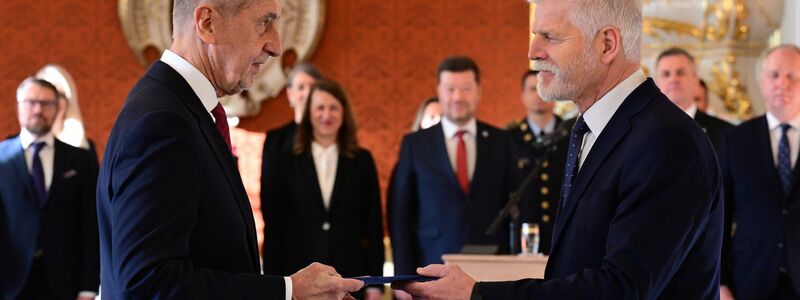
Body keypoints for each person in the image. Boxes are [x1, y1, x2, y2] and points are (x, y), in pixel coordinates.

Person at [393, 0, 723, 299]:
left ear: (607, 44)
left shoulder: (667, 141)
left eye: (550, 37)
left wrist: (477, 295)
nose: (533, 51)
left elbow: (621, 289)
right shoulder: (591, 130)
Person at [96, 0, 363, 298]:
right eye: (264, 22)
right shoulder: (164, 122)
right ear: (207, 23)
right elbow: (149, 284)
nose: (276, 45)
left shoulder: (181, 108)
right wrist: (289, 290)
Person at [388, 55, 514, 277]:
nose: (457, 97)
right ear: (438, 91)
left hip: (489, 269)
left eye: (465, 88)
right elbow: (401, 215)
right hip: (430, 265)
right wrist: (402, 276)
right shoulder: (415, 144)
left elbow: (512, 206)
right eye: (450, 89)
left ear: (478, 91)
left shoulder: (501, 141)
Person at [262, 79, 384, 300]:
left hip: (351, 275)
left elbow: (374, 225)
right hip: (298, 276)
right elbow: (274, 225)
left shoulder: (362, 160)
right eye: (320, 107)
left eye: (334, 108)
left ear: (344, 113)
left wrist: (376, 284)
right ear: (309, 113)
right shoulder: (285, 160)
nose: (327, 115)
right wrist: (274, 284)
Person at [0, 77, 99, 300]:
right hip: (10, 283)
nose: (38, 109)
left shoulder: (80, 160)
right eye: (31, 102)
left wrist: (88, 287)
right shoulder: (1, 157)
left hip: (65, 283)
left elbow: (91, 224)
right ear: (18, 107)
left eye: (46, 104)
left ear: (57, 109)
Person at [720, 44, 800, 300]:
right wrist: (720, 283)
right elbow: (721, 214)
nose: (782, 84)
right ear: (762, 83)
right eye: (774, 75)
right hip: (749, 280)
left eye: (792, 76)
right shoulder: (736, 139)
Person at [505, 69, 570, 255]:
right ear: (522, 95)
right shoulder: (510, 138)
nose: (540, 93)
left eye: (545, 86)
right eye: (533, 88)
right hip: (522, 239)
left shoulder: (572, 134)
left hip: (562, 236)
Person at [655, 47, 732, 150]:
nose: (673, 79)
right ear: (656, 83)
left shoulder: (726, 133)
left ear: (696, 80)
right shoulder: (640, 130)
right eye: (666, 74)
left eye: (680, 73)